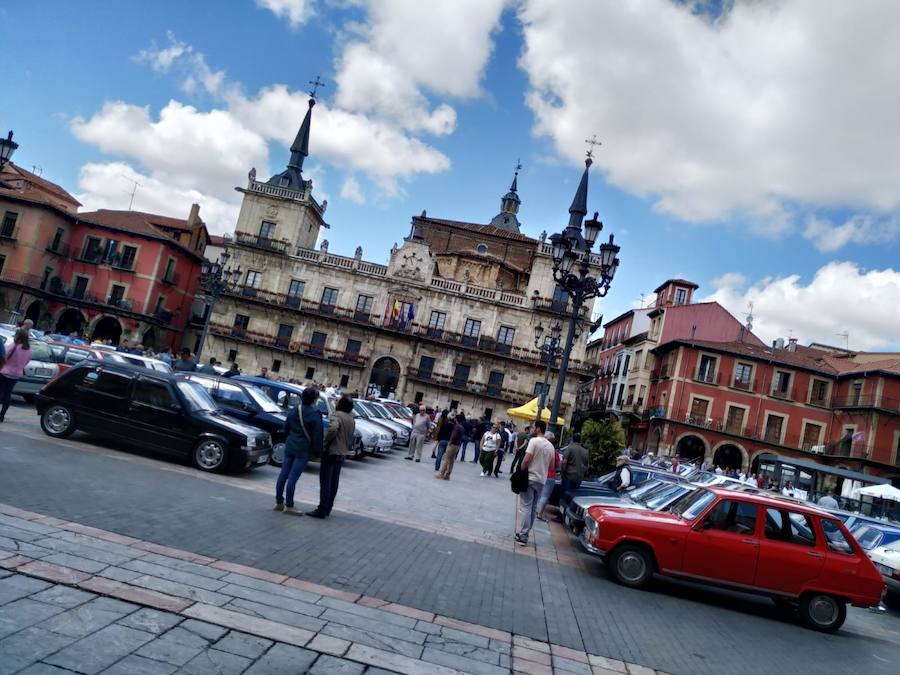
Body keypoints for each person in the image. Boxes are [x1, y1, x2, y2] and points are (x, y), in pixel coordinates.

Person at [275, 386, 324, 515]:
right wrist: (318, 452)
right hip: (303, 449)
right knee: (293, 477)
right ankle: (289, 505)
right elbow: (318, 435)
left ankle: (279, 501)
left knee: (283, 474)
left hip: (290, 446)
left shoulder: (294, 410)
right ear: (314, 399)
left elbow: (286, 427)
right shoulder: (315, 414)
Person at [309, 395, 355, 518]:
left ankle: (321, 509)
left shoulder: (336, 415)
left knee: (325, 481)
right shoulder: (351, 419)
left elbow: (333, 428)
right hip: (342, 452)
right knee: (334, 481)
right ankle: (328, 507)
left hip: (331, 451)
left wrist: (326, 441)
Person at [515, 421, 556, 546]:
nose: (532, 429)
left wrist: (521, 469)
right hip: (541, 480)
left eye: (534, 427)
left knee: (526, 507)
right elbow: (552, 465)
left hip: (530, 477)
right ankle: (525, 533)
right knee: (533, 508)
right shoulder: (550, 446)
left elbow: (526, 460)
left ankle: (523, 535)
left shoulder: (534, 441)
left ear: (538, 429)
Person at [0, 329, 32, 422]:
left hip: (5, 371)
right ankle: (2, 414)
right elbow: (26, 362)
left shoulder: (13, 346)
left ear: (18, 336)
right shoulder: (28, 349)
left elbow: (3, 356)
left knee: (1, 392)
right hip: (16, 374)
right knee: (8, 394)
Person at [536, 433, 561, 521]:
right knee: (545, 496)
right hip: (550, 476)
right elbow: (558, 465)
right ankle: (539, 514)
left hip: (540, 473)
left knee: (538, 494)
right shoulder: (554, 451)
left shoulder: (540, 449)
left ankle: (534, 510)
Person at [437, 413, 466, 480]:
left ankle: (441, 474)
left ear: (456, 419)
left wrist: (450, 442)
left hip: (452, 444)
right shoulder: (462, 427)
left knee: (446, 460)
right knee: (452, 461)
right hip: (457, 445)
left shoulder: (456, 426)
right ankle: (447, 475)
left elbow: (454, 435)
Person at [560, 432, 589, 497]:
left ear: (572, 439)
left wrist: (563, 472)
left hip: (569, 476)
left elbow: (564, 462)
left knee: (565, 495)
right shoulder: (585, 451)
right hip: (578, 478)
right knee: (574, 496)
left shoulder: (570, 448)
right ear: (580, 440)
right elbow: (587, 466)